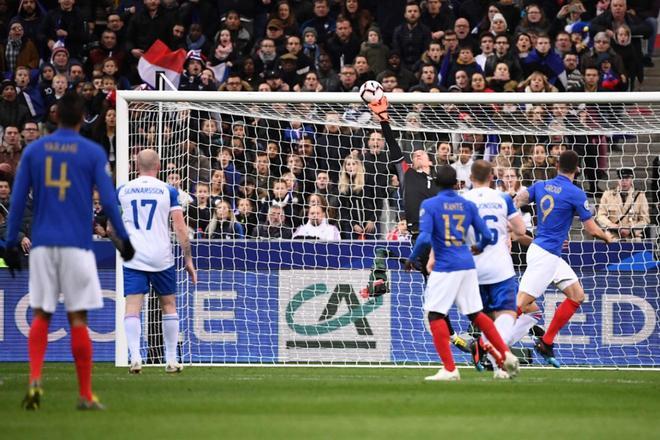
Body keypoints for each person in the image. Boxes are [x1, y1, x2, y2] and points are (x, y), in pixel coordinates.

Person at [1, 92, 135, 410]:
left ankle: (35, 382)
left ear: (56, 116)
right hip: (77, 246)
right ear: (81, 119)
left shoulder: (34, 151)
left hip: (44, 244)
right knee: (77, 319)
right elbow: (109, 199)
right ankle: (85, 395)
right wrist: (125, 240)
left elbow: (17, 202)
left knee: (42, 315)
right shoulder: (91, 152)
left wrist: (8, 244)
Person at [368, 95, 471, 354]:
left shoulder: (441, 183)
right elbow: (392, 146)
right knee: (434, 291)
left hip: (444, 239)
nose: (417, 155)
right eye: (414, 154)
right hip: (420, 237)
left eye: (421, 153)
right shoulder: (407, 174)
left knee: (456, 288)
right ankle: (455, 338)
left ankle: (476, 327)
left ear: (430, 160)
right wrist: (384, 120)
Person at [405, 165, 520, 381]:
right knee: (476, 314)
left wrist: (412, 258)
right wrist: (479, 246)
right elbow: (485, 234)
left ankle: (450, 369)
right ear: (456, 183)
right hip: (467, 265)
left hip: (446, 266)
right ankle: (505, 354)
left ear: (437, 183)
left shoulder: (430, 204)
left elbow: (424, 238)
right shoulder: (466, 204)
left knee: (435, 315)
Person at [513, 150, 614, 367]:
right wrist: (606, 236)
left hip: (547, 253)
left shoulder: (541, 185)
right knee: (520, 303)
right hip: (545, 255)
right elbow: (591, 229)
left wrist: (507, 211)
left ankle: (546, 342)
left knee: (577, 295)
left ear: (557, 166)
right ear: (578, 169)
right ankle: (485, 342)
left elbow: (520, 198)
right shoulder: (576, 193)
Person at [118, 149, 197, 374]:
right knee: (169, 306)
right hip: (162, 257)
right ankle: (171, 360)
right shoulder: (168, 190)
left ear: (136, 166)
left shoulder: (122, 190)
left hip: (134, 257)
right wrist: (188, 259)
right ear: (159, 167)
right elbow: (180, 227)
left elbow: (111, 226)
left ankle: (135, 356)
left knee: (133, 307)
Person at [461, 160, 528, 378]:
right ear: (492, 177)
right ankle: (502, 362)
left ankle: (498, 363)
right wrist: (505, 228)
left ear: (471, 178)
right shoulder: (502, 199)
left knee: (487, 321)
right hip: (500, 268)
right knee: (507, 314)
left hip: (473, 270)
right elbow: (521, 229)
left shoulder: (463, 200)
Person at [596, 168, 650, 240]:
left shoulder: (640, 196)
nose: (624, 182)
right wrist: (611, 225)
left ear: (632, 180)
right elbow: (600, 216)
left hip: (632, 238)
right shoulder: (608, 195)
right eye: (621, 179)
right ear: (617, 180)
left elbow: (645, 220)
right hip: (613, 236)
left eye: (627, 179)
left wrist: (631, 230)